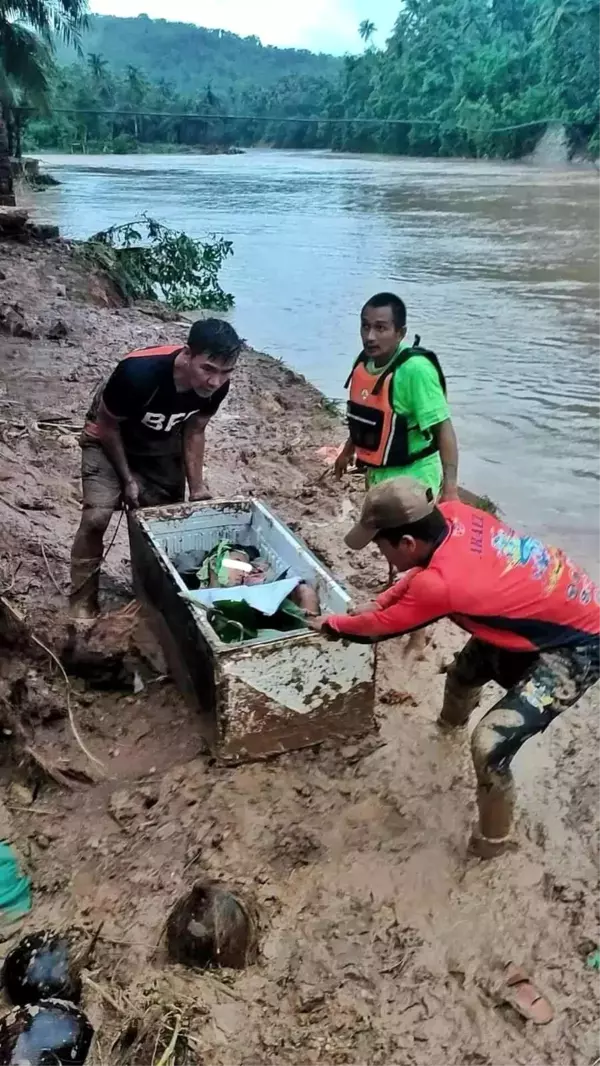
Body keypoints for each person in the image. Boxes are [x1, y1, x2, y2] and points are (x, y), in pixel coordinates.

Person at [309, 477, 600, 859]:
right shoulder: (454, 513)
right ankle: (447, 732)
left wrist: (330, 624)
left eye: (382, 548)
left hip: (579, 643)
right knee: (463, 675)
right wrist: (382, 600)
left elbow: (377, 631)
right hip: (535, 611)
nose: (382, 557)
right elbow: (418, 574)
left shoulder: (444, 584)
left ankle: (492, 843)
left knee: (490, 744)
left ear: (407, 543)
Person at [70, 318, 242, 619]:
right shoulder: (139, 373)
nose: (215, 381)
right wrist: (127, 479)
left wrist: (197, 487)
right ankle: (82, 600)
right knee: (97, 517)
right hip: (110, 436)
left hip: (160, 442)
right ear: (188, 354)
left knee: (164, 523)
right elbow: (107, 426)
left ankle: (149, 596)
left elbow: (195, 430)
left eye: (226, 372)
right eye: (208, 369)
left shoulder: (217, 387)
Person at [334, 292, 459, 503]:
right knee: (382, 534)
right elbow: (365, 417)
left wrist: (450, 492)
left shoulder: (415, 370)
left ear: (400, 333)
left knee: (405, 536)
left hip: (414, 476)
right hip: (377, 473)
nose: (370, 336)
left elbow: (443, 428)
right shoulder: (363, 362)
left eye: (380, 328)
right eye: (365, 326)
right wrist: (347, 452)